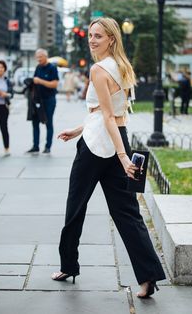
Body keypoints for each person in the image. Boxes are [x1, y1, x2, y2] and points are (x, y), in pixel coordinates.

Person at [51, 18, 166, 298]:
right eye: (90, 35)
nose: (92, 40)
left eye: (98, 36)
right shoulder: (122, 67)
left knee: (75, 206)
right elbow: (113, 113)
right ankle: (149, 277)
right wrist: (78, 129)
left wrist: (124, 156)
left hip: (96, 146)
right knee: (127, 213)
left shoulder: (98, 69)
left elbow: (106, 116)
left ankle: (68, 265)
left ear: (111, 39)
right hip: (115, 139)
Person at [26, 48, 59, 154]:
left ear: (46, 56)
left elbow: (54, 84)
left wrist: (40, 81)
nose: (38, 59)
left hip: (49, 100)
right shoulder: (38, 67)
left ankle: (48, 146)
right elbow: (34, 81)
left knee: (48, 123)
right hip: (37, 100)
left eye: (40, 57)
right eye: (37, 57)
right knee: (35, 122)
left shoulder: (52, 68)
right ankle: (35, 146)